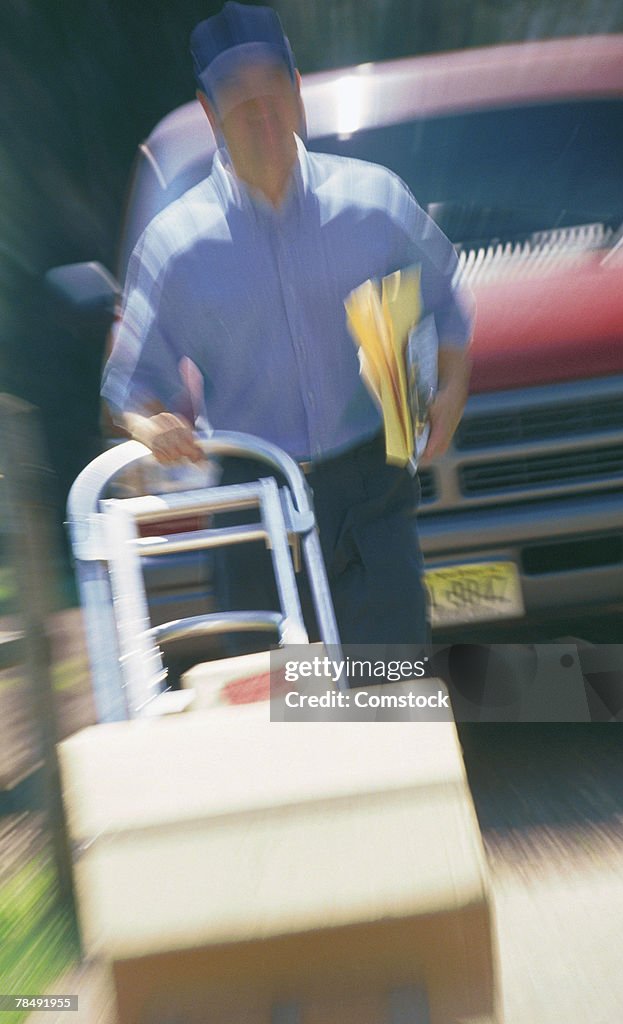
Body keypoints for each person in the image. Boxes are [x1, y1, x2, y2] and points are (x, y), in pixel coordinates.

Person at [101, 1, 473, 652]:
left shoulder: (374, 201)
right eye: (237, 97)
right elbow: (129, 389)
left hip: (371, 485)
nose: (260, 110)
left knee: (389, 689)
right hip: (253, 503)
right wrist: (150, 424)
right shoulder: (173, 249)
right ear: (209, 112)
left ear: (298, 91)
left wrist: (448, 392)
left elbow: (445, 306)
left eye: (272, 86)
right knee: (286, 712)